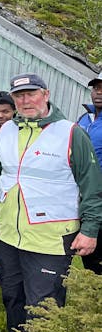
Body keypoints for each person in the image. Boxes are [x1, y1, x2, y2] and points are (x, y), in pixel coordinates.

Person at [0, 74, 102, 332]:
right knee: (13, 298)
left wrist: (90, 229)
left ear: (45, 94)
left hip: (50, 237)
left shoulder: (71, 133)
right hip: (10, 235)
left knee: (43, 305)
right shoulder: (6, 131)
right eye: (19, 96)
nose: (25, 101)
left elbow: (91, 186)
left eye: (31, 94)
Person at [76, 70, 102, 274]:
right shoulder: (84, 118)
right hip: (83, 191)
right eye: (96, 88)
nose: (98, 93)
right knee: (88, 249)